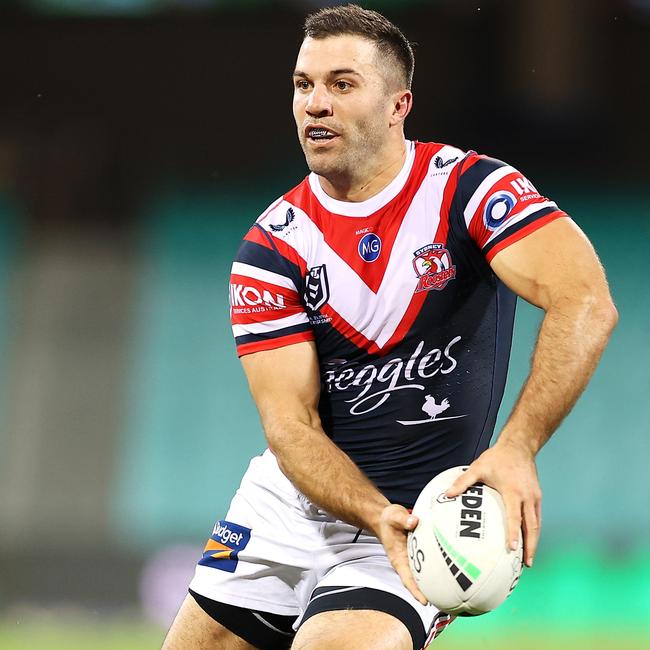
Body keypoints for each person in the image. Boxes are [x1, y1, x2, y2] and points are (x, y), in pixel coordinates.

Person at [163, 4, 617, 649]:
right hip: (291, 506)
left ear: (399, 103)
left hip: (416, 518)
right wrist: (371, 511)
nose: (315, 103)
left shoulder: (469, 192)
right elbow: (291, 425)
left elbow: (587, 302)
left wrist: (517, 447)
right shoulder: (271, 248)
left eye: (341, 84)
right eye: (303, 85)